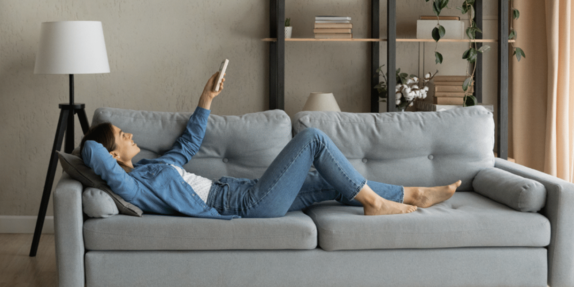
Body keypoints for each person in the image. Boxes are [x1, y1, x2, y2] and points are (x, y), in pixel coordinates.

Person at [79, 72, 461, 219]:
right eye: (122, 136)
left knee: (331, 181)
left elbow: (188, 142)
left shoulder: (152, 168)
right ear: (113, 157)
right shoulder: (131, 186)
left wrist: (206, 97)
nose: (130, 135)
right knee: (312, 139)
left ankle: (413, 194)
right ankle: (377, 204)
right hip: (241, 204)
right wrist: (93, 143)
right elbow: (90, 152)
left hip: (242, 191)